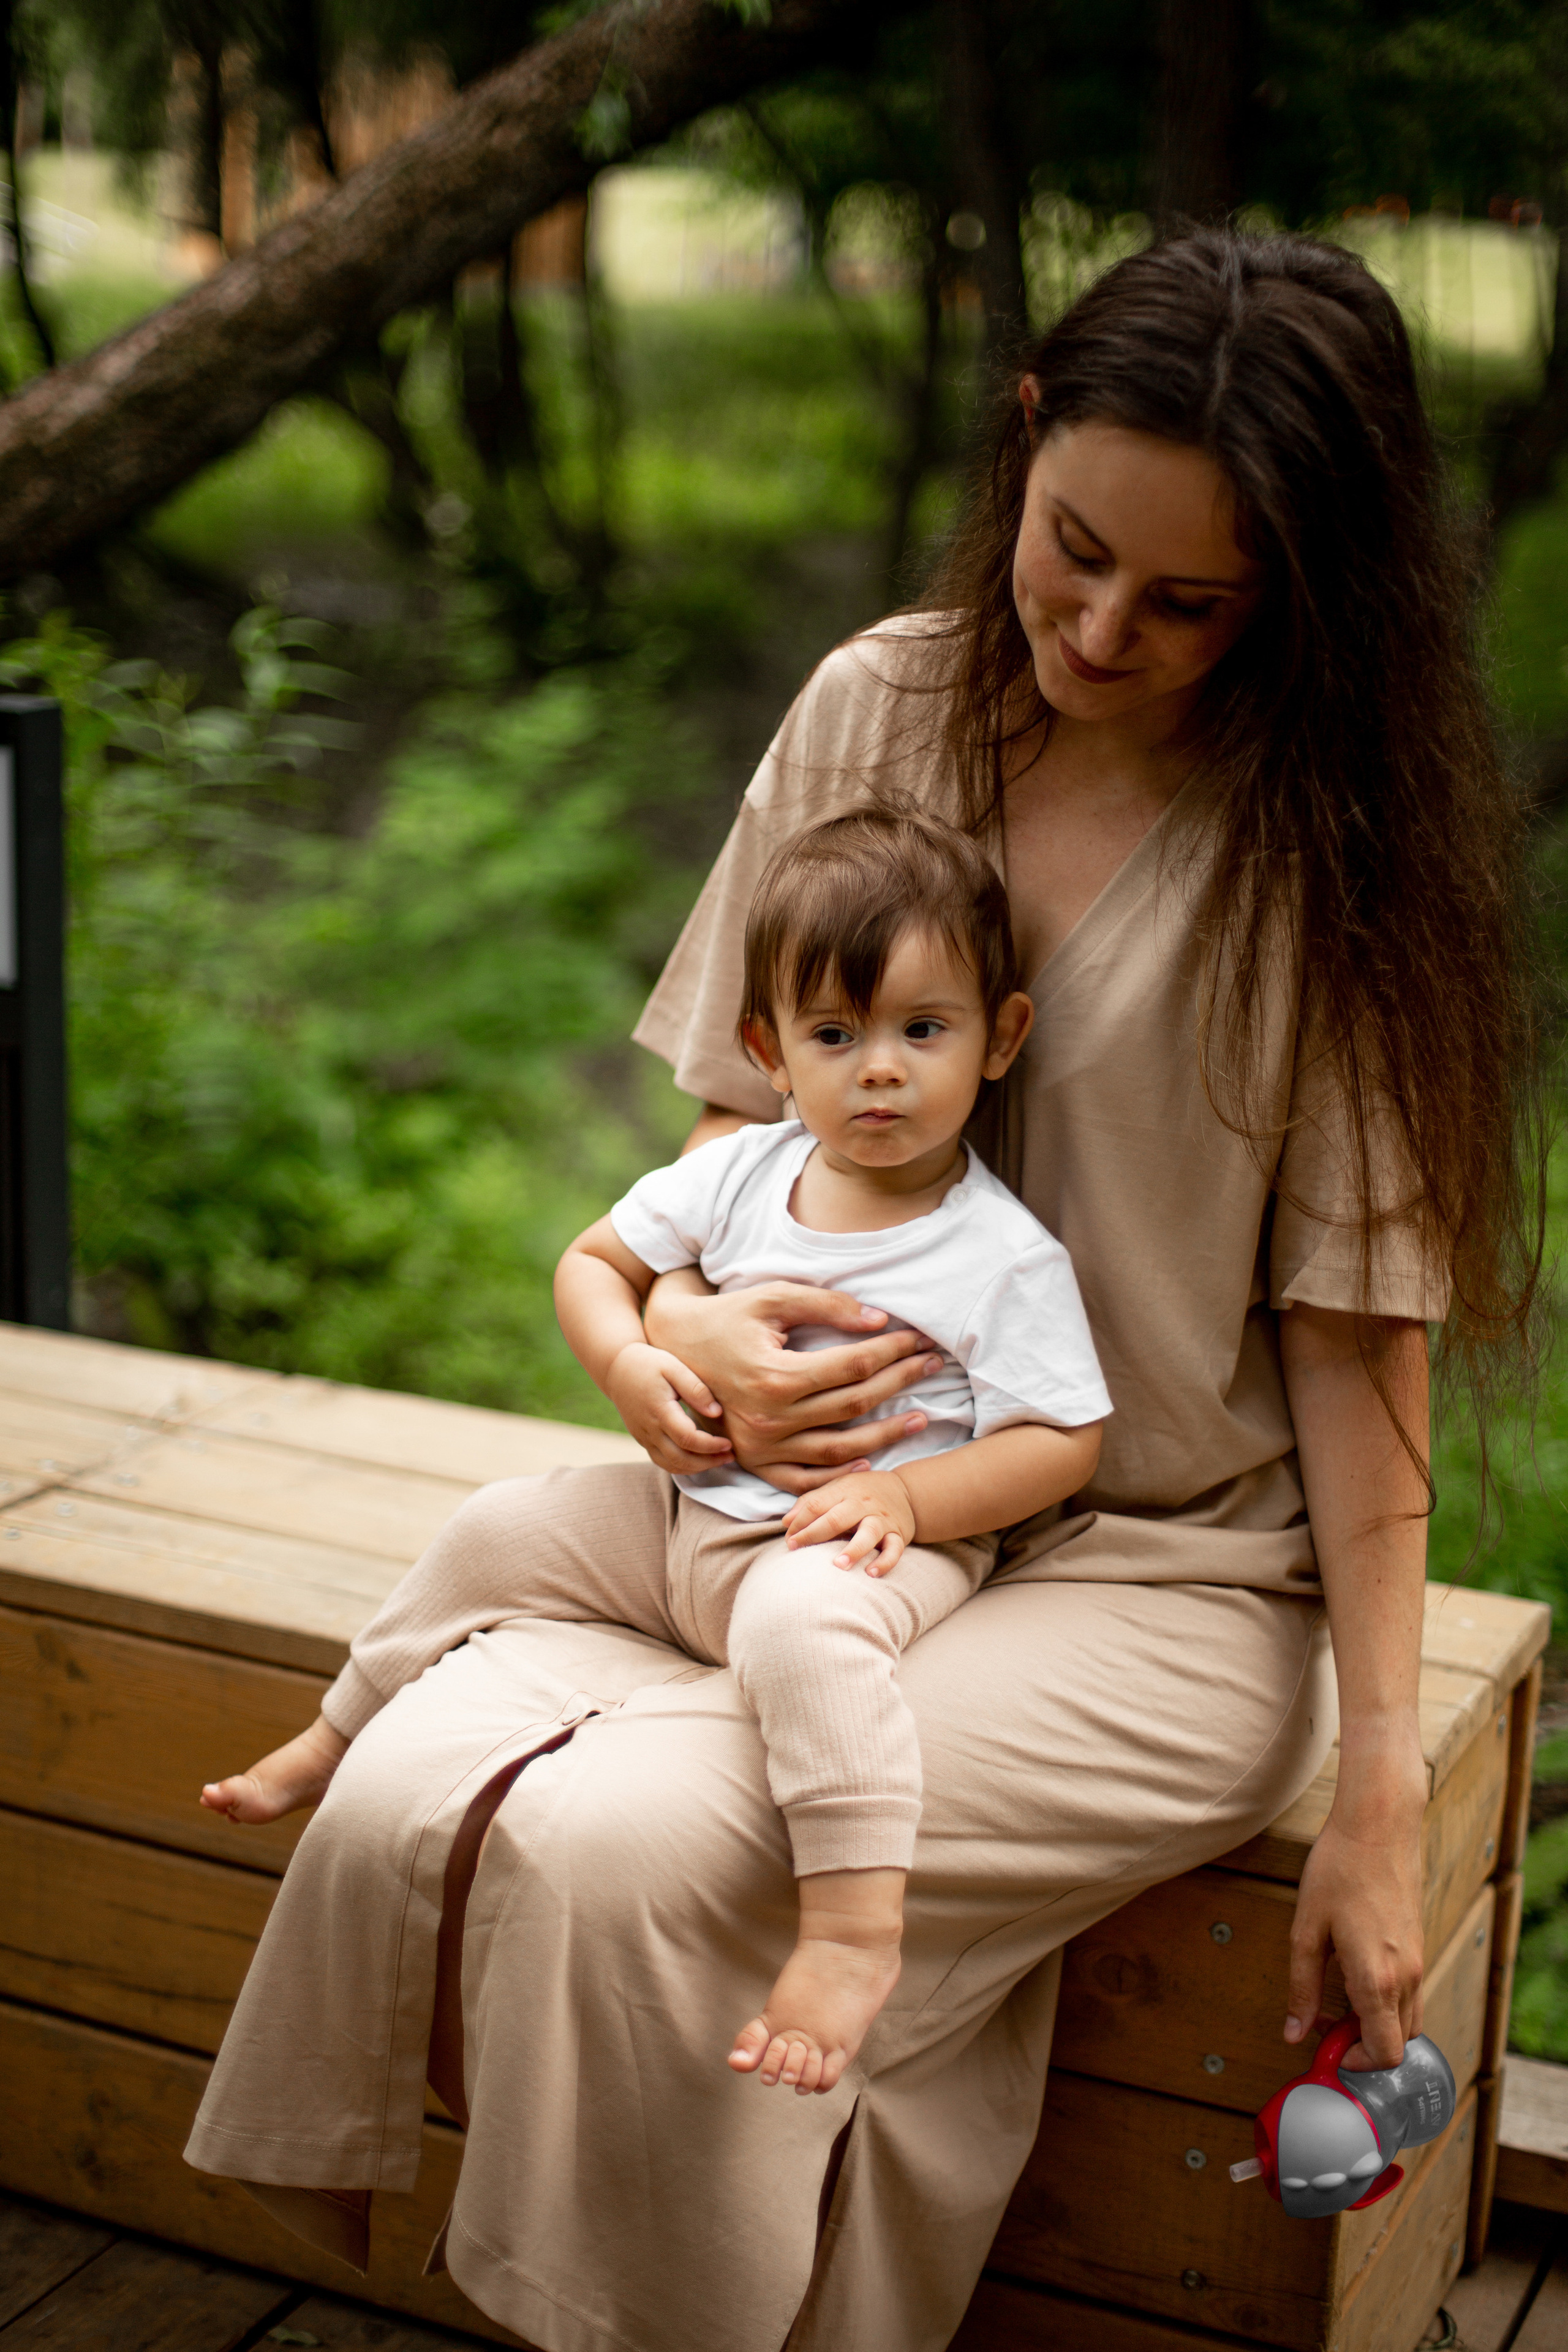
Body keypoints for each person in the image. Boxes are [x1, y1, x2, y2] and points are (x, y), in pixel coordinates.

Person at [184, 229, 1540, 2352]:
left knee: (623, 1853)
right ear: (1022, 447)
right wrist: (678, 1339)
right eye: (1073, 549)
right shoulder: (873, 706)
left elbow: (1363, 1368)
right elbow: (732, 1154)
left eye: (1191, 601)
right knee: (482, 1787)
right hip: (809, 1518)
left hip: (1157, 1584)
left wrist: (1382, 1797)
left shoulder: (1325, 858)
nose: (1103, 630)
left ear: (1307, 589)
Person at [203, 806, 1110, 2097]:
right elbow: (593, 1263)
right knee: (498, 1526)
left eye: (924, 1029)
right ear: (767, 1051)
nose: (880, 1072)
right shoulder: (743, 1170)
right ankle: (339, 1732)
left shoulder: (995, 1252)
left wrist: (906, 1494)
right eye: (835, 1036)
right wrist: (632, 1363)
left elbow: (1063, 1437)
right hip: (684, 1520)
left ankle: (851, 1932)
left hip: (846, 1546)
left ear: (999, 1036)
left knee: (810, 1637)